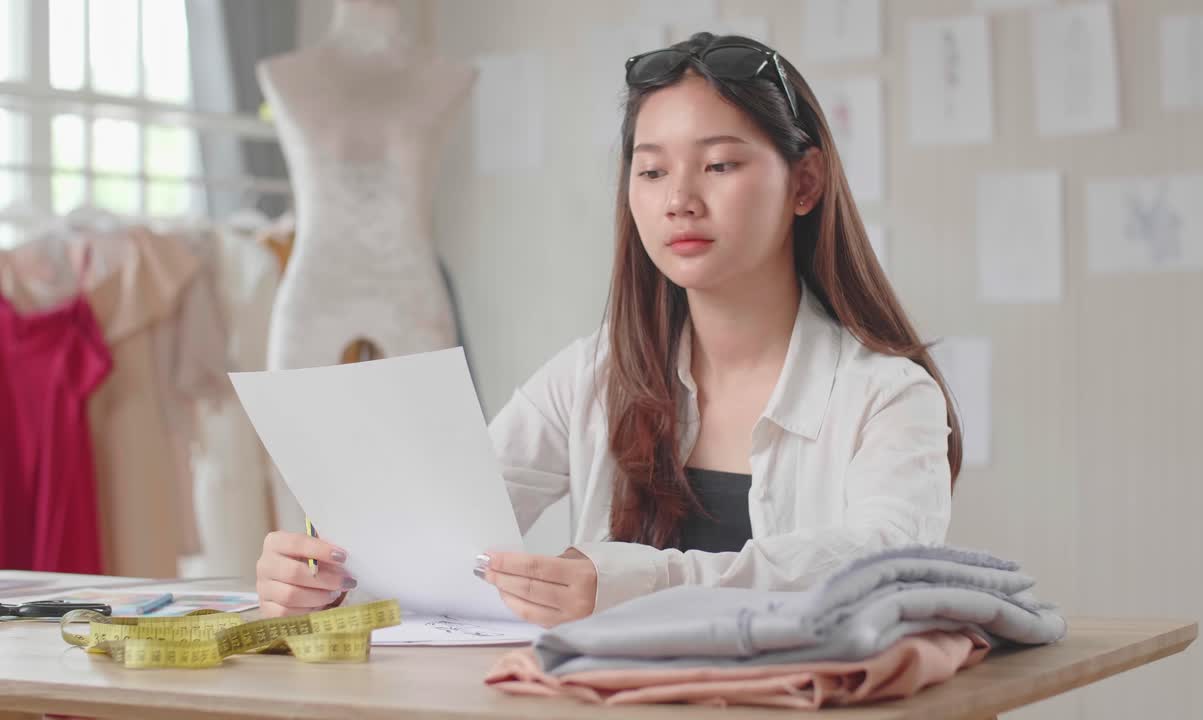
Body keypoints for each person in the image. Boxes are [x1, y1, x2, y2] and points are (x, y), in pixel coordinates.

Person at [254, 32, 964, 626]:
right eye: (651, 171)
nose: (679, 200)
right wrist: (324, 569)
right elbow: (441, 535)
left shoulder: (889, 397)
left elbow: (881, 567)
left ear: (805, 183)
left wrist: (632, 582)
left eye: (718, 164)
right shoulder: (590, 377)